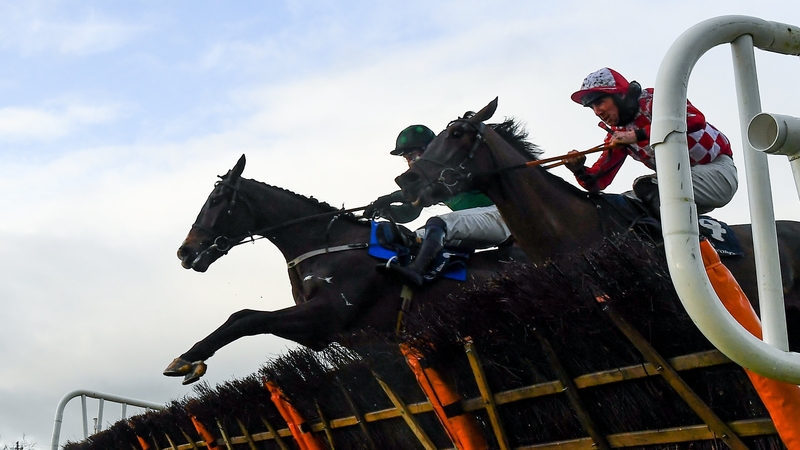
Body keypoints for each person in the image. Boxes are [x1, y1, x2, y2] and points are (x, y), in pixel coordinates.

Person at [563, 67, 738, 216]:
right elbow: (598, 183)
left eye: (600, 102)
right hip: (682, 182)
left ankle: (698, 247)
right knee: (619, 206)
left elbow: (695, 120)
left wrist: (637, 135)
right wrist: (578, 170)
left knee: (646, 187)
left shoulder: (654, 100)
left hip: (718, 171)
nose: (597, 111)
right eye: (592, 107)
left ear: (621, 96)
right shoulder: (617, 135)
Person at [365, 125, 511, 286]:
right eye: (406, 157)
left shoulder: (449, 166)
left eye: (412, 154)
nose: (410, 161)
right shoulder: (429, 176)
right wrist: (385, 211)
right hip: (476, 227)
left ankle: (417, 272)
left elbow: (421, 193)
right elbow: (409, 213)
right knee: (414, 238)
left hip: (501, 217)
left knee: (438, 223)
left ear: (429, 149)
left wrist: (389, 198)